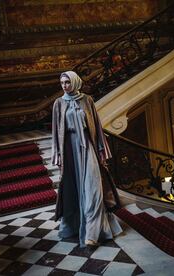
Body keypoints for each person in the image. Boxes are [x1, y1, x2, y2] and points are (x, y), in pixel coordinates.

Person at [51, 71, 122, 247]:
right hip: (69, 150)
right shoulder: (58, 104)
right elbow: (55, 132)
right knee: (74, 191)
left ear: (75, 82)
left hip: (87, 147)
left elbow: (96, 126)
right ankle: (75, 226)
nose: (64, 86)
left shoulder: (87, 100)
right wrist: (58, 155)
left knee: (93, 189)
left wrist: (101, 149)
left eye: (67, 82)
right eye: (62, 83)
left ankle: (92, 233)